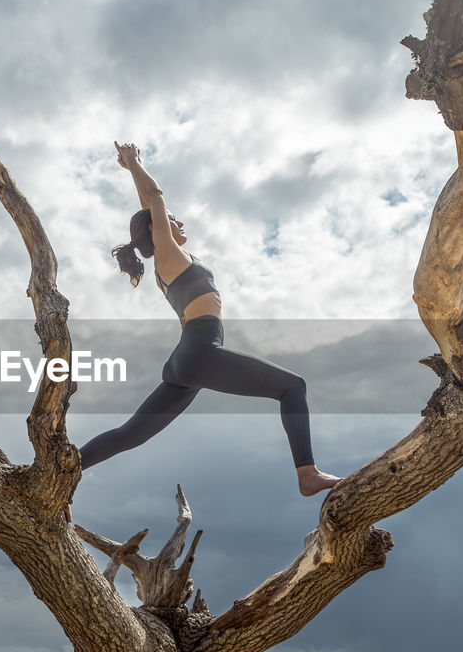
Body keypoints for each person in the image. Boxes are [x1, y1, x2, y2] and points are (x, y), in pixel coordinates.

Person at [78, 142, 343, 497]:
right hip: (200, 352)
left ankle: (65, 475)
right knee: (292, 387)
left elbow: (148, 206)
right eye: (171, 219)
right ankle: (307, 474)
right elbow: (154, 197)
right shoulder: (167, 255)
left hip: (184, 363)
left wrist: (131, 173)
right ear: (158, 229)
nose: (179, 220)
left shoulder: (166, 261)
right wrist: (134, 163)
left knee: (130, 434)